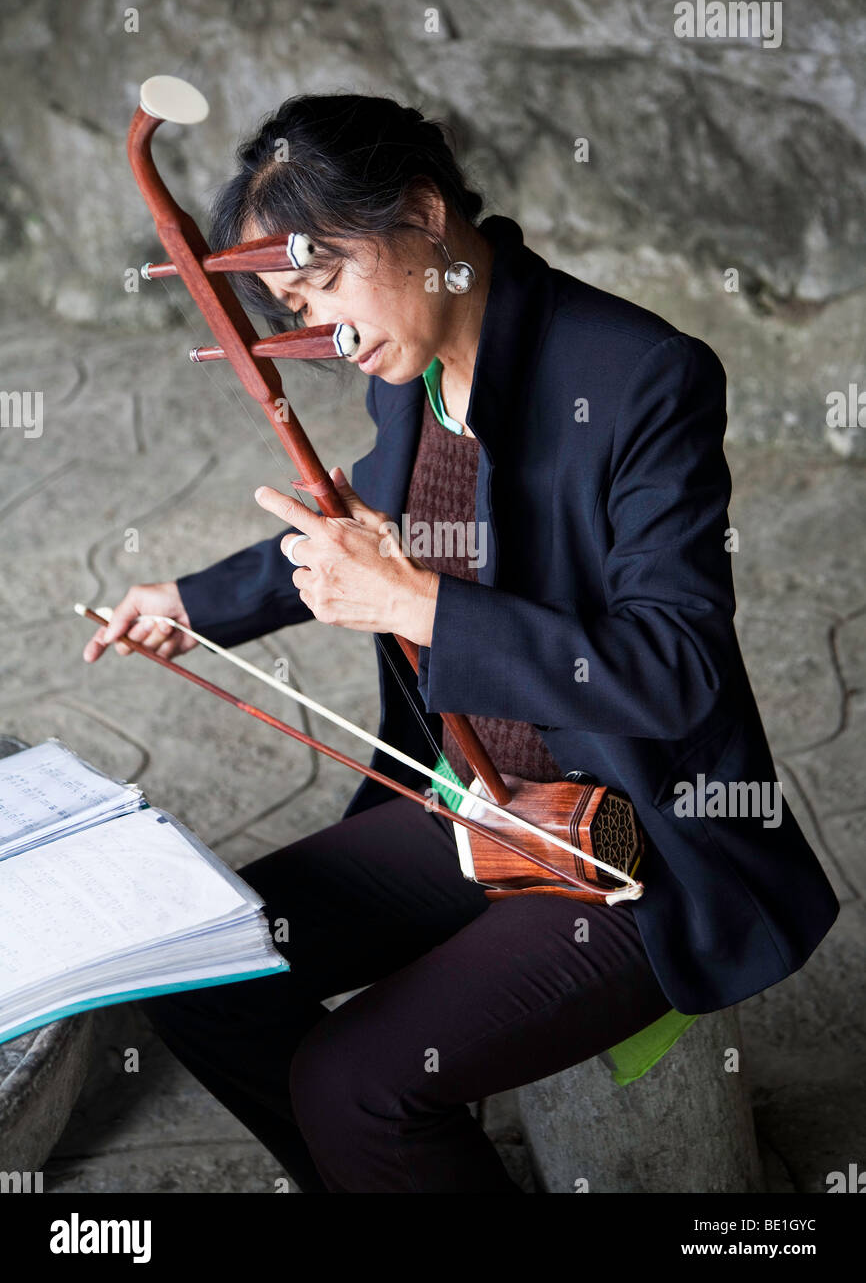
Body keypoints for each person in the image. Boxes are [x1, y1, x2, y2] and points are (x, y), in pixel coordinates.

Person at [83, 93, 839, 1193]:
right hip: (479, 801)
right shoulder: (417, 372)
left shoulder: (640, 377)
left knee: (358, 1083)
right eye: (300, 305)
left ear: (424, 216)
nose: (333, 334)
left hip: (624, 843)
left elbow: (675, 668)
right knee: (204, 970)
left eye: (328, 283)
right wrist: (194, 603)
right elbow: (365, 523)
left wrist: (421, 607)